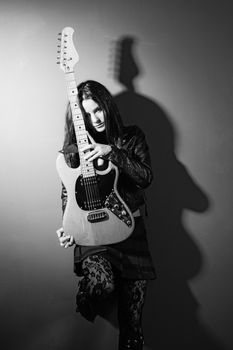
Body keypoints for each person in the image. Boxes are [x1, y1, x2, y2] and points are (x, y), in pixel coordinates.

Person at [56, 80, 156, 350]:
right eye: (87, 113)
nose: (94, 118)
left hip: (129, 227)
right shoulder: (74, 149)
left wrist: (112, 152)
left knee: (133, 322)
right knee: (102, 284)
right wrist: (67, 227)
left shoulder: (132, 136)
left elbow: (145, 177)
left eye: (98, 109)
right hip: (92, 231)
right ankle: (86, 301)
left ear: (107, 106)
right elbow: (68, 192)